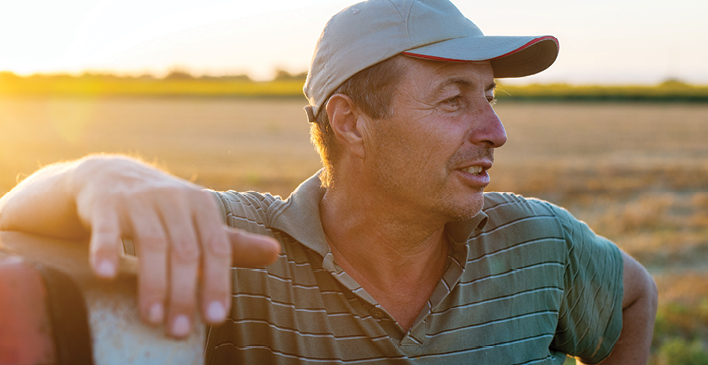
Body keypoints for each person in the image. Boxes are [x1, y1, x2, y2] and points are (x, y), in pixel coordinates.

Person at [0, 0, 658, 363]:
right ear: (351, 121)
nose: (494, 129)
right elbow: (14, 222)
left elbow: (634, 296)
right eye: (454, 99)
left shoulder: (538, 239)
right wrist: (98, 173)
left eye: (490, 95)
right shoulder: (240, 247)